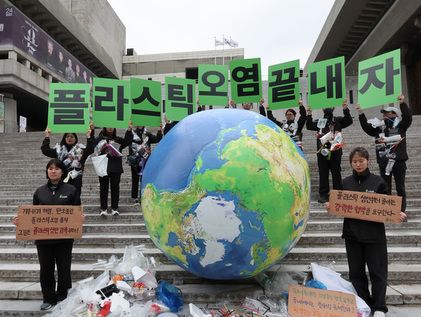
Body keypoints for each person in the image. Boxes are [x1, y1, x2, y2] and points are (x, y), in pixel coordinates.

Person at [327, 147, 407, 317]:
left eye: (361, 160)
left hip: (374, 236)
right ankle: (364, 303)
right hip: (352, 235)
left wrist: (397, 213)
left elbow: (388, 206)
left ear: (367, 161)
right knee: (356, 273)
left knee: (378, 273)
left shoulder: (378, 182)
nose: (358, 164)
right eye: (354, 161)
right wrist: (331, 204)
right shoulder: (346, 182)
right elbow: (339, 203)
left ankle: (379, 307)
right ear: (351, 163)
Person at [13, 159, 82, 311]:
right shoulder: (39, 192)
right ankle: (48, 297)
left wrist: (80, 218)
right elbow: (33, 215)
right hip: (43, 239)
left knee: (64, 269)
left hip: (64, 238)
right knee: (46, 269)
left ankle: (64, 297)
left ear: (62, 171)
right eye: (50, 168)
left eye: (56, 168)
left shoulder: (71, 190)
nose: (53, 171)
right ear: (47, 171)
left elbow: (77, 211)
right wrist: (21, 221)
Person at [355, 95, 412, 213]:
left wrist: (402, 103)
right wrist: (361, 113)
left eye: (387, 113)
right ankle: (388, 211)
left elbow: (408, 118)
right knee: (385, 187)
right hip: (384, 161)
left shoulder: (401, 127)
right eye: (384, 114)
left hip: (399, 161)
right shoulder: (379, 128)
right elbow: (366, 128)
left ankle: (401, 211)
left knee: (400, 187)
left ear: (394, 115)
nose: (385, 116)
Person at [306, 100, 353, 203]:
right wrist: (309, 113)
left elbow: (349, 121)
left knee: (336, 172)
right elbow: (309, 126)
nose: (327, 107)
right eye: (325, 106)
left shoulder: (338, 120)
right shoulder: (320, 121)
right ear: (322, 109)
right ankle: (323, 194)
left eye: (330, 105)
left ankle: (338, 194)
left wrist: (345, 108)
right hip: (322, 151)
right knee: (323, 173)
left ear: (334, 108)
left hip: (335, 150)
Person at [41, 126, 94, 202]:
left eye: (72, 136)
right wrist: (47, 137)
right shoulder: (59, 150)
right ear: (64, 138)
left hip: (76, 180)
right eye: (67, 136)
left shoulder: (80, 149)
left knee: (75, 201)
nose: (69, 138)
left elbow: (90, 149)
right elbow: (46, 150)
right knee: (61, 201)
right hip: (61, 179)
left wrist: (89, 136)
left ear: (75, 139)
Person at [120, 124, 163, 204]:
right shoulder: (132, 133)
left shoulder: (147, 134)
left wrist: (159, 131)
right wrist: (129, 130)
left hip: (146, 160)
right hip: (135, 161)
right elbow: (127, 141)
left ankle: (143, 196)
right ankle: (134, 197)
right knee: (135, 179)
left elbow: (157, 139)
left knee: (144, 180)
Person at [94, 127, 132, 216]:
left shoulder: (118, 139)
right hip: (103, 166)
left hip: (115, 167)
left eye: (112, 126)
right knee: (103, 188)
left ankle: (115, 208)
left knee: (115, 188)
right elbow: (92, 144)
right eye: (108, 126)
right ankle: (103, 208)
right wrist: (91, 131)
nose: (110, 128)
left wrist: (129, 131)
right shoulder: (100, 139)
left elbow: (128, 142)